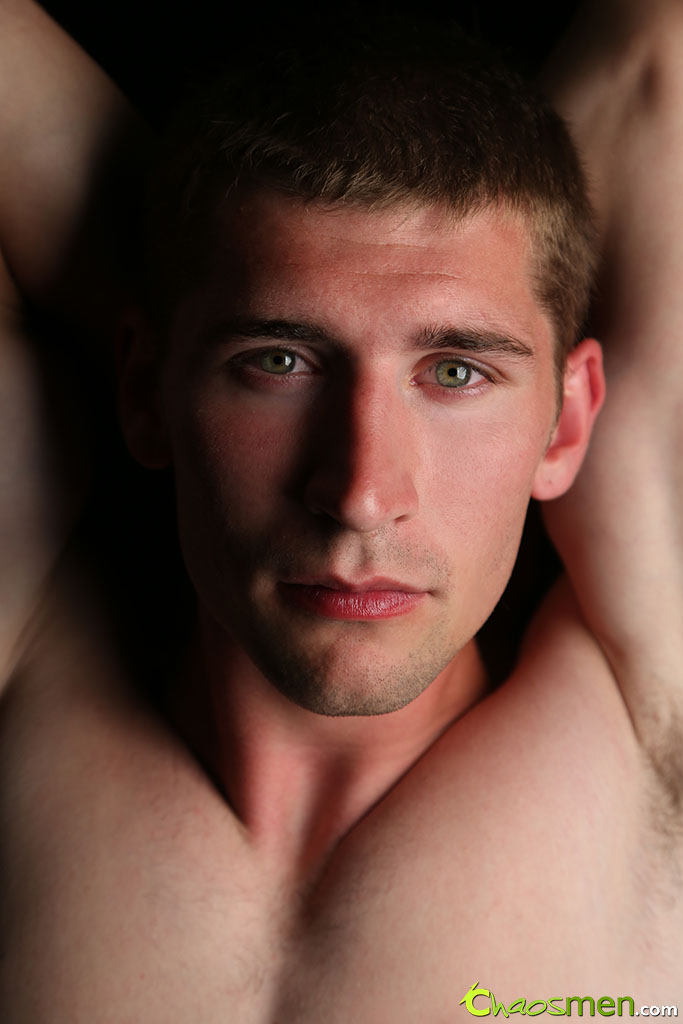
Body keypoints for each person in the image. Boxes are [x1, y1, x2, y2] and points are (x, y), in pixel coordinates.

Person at [0, 0, 681, 1018]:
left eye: (456, 370)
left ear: (566, 419)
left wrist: (230, 291)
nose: (360, 497)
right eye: (277, 361)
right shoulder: (23, 684)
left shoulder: (655, 736)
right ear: (142, 388)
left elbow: (656, 64)